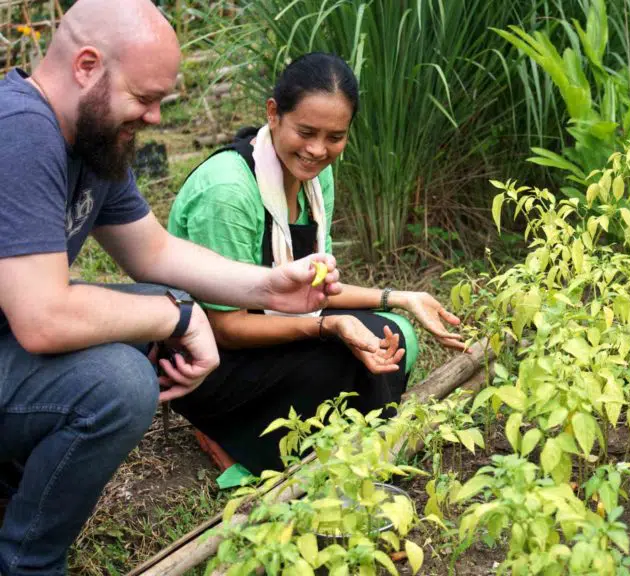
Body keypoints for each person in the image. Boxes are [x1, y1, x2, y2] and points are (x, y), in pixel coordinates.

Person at [0, 1, 356, 574]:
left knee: (158, 311)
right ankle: (29, 563)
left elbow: (155, 253)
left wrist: (267, 287)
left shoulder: (92, 140)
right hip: (17, 337)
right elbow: (43, 317)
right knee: (121, 381)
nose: (157, 118)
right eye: (145, 99)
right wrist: (176, 318)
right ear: (87, 66)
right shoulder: (19, 133)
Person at [167, 52, 466, 475]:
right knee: (340, 360)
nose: (317, 150)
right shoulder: (228, 192)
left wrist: (401, 298)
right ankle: (227, 432)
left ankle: (341, 458)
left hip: (272, 323)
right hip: (209, 362)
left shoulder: (314, 177)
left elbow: (314, 289)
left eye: (334, 137)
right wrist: (328, 326)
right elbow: (224, 327)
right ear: (273, 114)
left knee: (392, 338)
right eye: (305, 132)